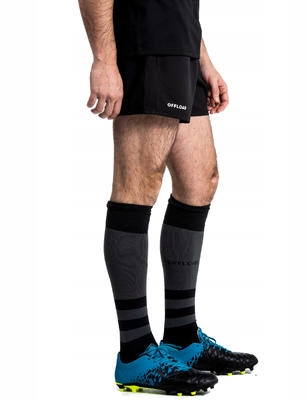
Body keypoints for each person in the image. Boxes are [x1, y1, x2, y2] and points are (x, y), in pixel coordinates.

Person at [78, 0, 258, 395]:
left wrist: (203, 59)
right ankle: (135, 352)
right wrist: (104, 59)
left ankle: (182, 336)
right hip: (147, 41)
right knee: (138, 186)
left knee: (200, 182)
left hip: (181, 44)